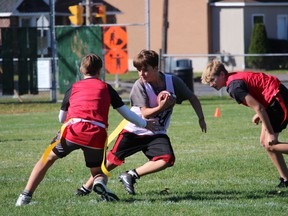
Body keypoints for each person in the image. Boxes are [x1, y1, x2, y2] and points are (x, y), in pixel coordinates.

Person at [15, 54, 156, 206]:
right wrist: (144, 124)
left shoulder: (74, 87)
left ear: (82, 69)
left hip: (73, 131)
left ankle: (25, 196)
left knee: (46, 159)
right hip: (96, 136)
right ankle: (99, 184)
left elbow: (61, 119)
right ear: (100, 71)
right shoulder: (106, 88)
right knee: (98, 172)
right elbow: (126, 113)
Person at [75, 49, 207, 196]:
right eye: (138, 70)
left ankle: (131, 175)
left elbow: (192, 97)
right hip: (135, 130)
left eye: (145, 70)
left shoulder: (173, 81)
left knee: (167, 159)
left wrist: (201, 118)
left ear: (156, 68)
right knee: (112, 160)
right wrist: (162, 106)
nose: (141, 74)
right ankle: (86, 187)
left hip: (156, 132)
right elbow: (144, 113)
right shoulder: (140, 85)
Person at [201, 59, 288, 187]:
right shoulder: (232, 79)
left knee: (270, 143)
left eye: (212, 80)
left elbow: (259, 107)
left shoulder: (234, 88)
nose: (211, 84)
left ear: (222, 75)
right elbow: (259, 92)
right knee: (264, 142)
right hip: (273, 99)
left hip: (277, 99)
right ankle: (286, 179)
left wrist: (269, 131)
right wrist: (258, 114)